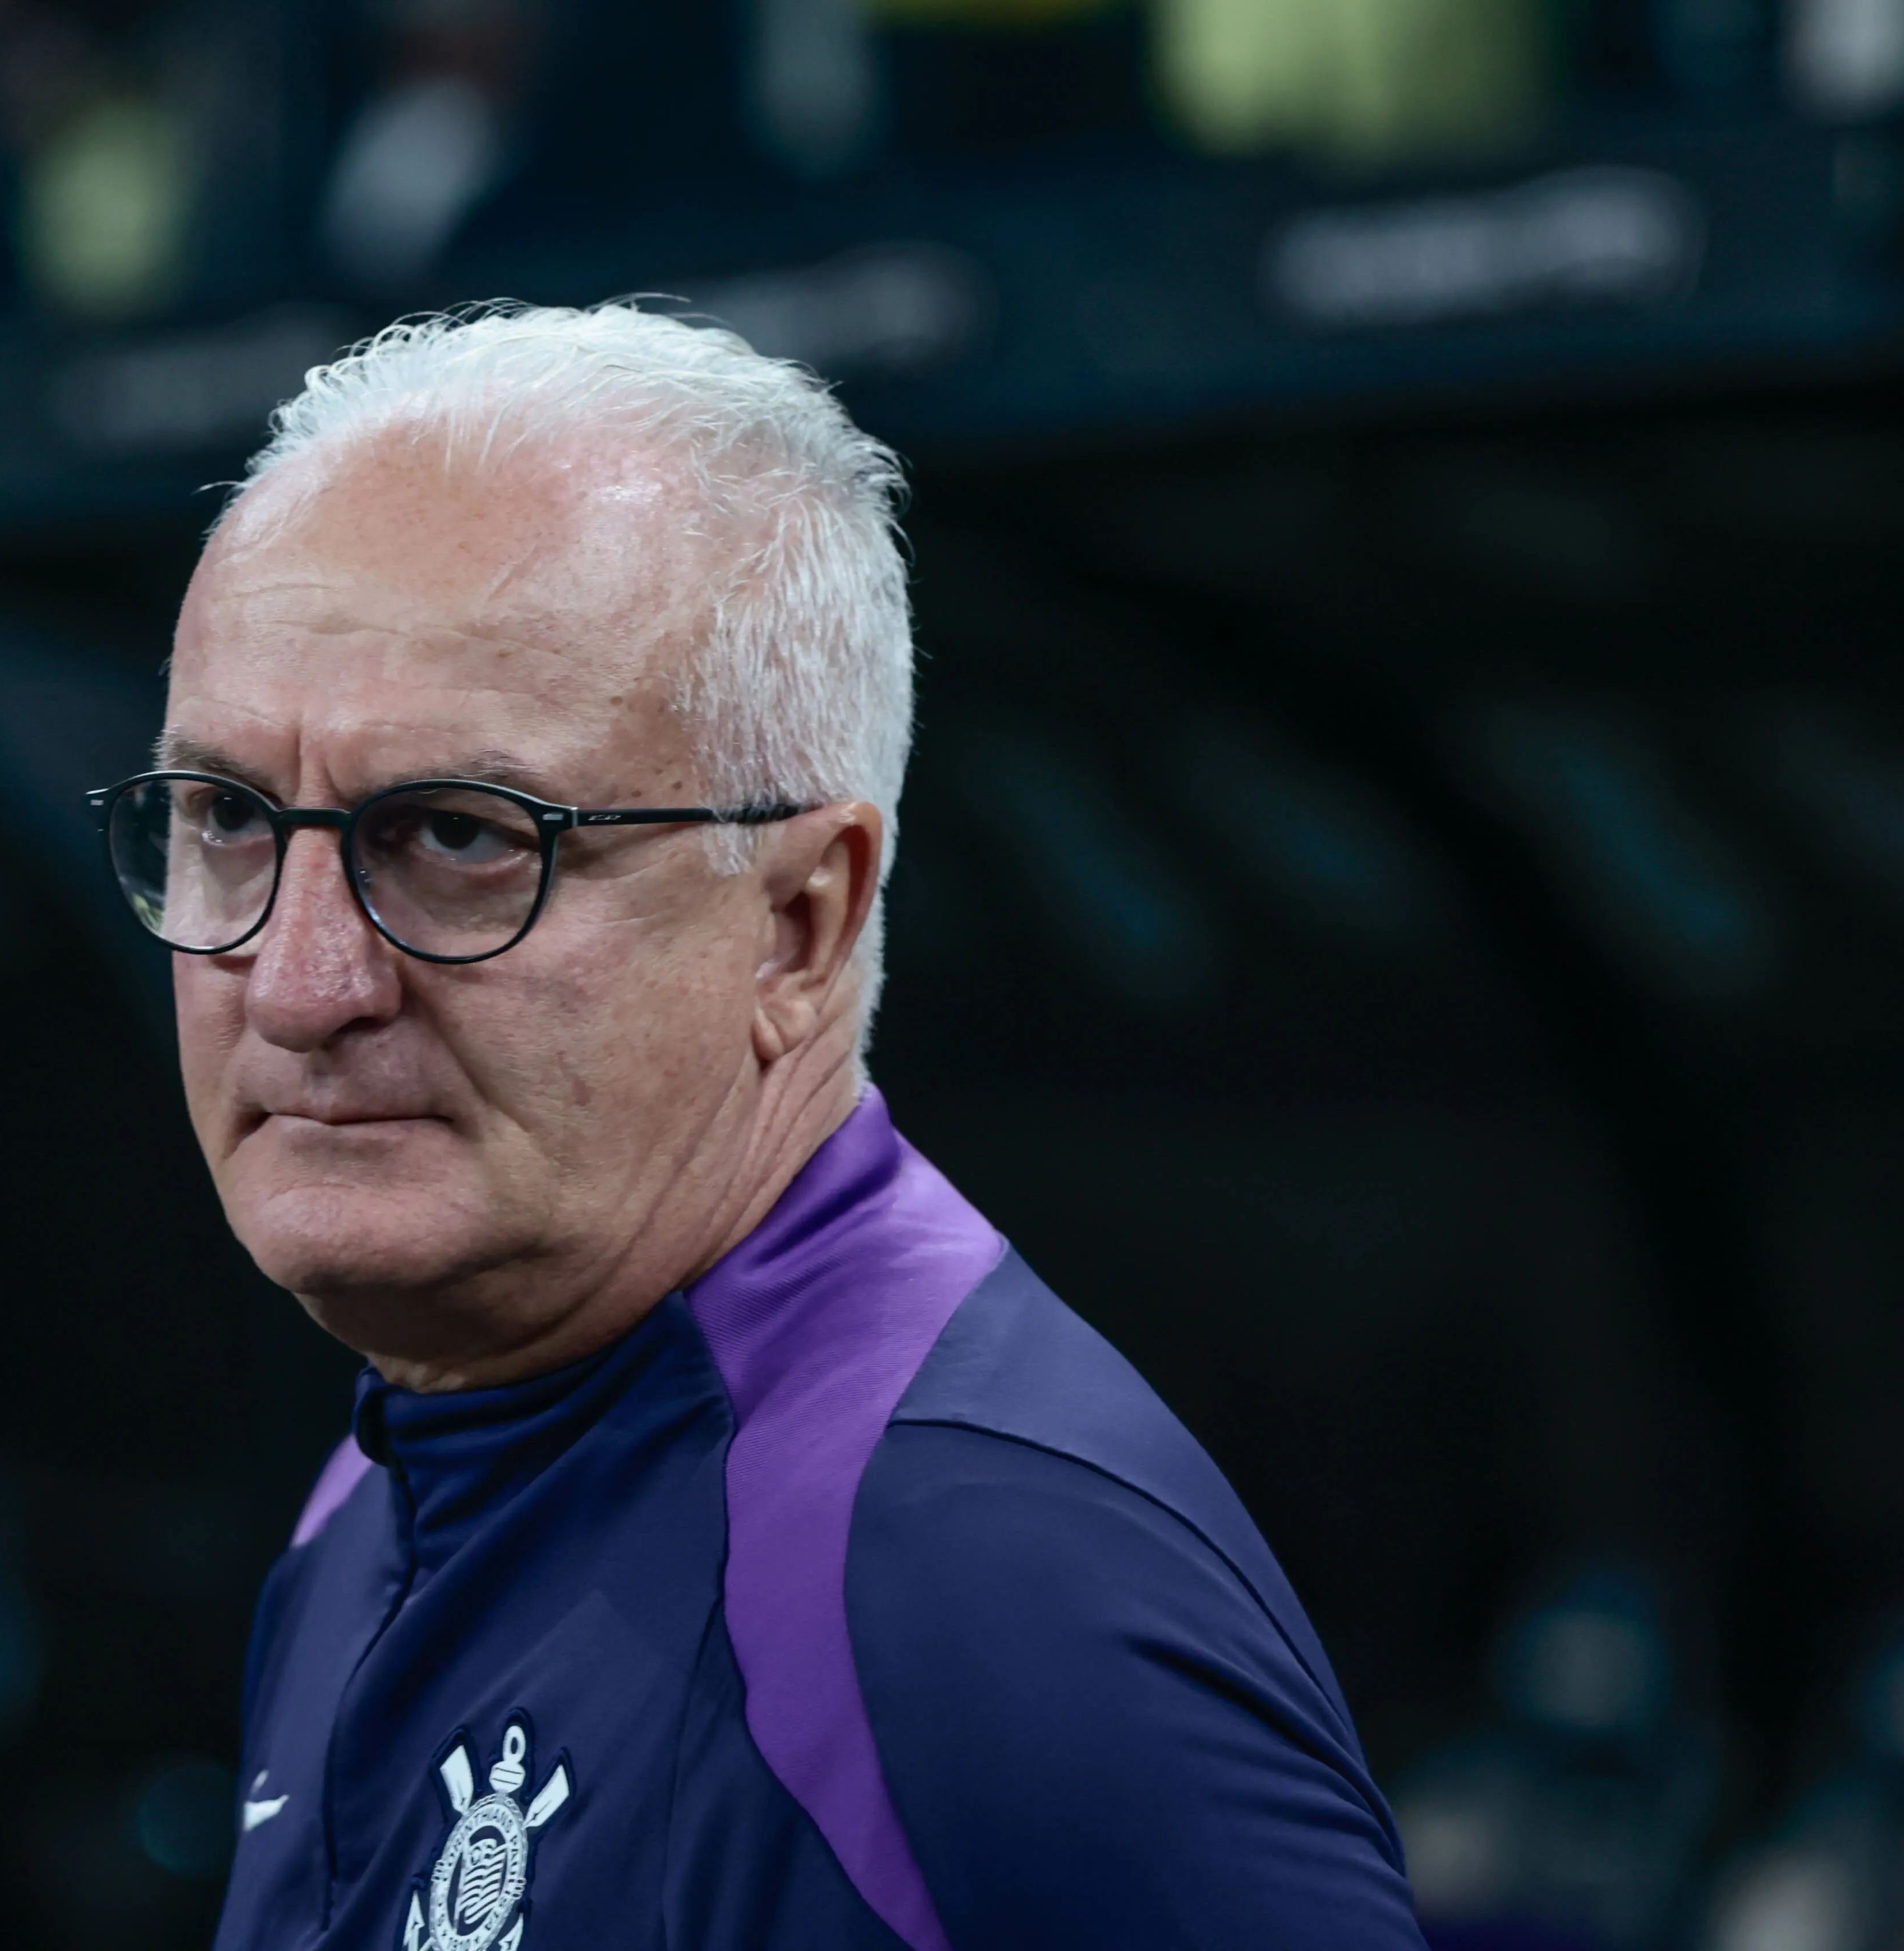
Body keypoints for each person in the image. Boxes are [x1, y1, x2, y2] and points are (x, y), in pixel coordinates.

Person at [83, 303, 1428, 1949]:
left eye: (453, 835)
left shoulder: (973, 1584)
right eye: (225, 818)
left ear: (799, 921)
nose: (298, 984)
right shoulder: (387, 1487)